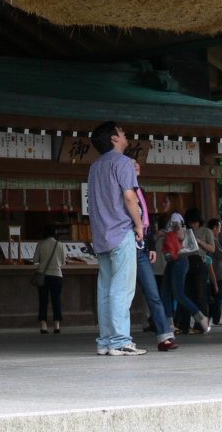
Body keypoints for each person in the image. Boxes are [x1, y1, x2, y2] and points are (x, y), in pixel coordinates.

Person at [86, 121, 147, 357]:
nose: (125, 135)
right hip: (121, 231)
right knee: (122, 288)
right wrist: (139, 225)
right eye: (122, 132)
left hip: (101, 234)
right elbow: (130, 197)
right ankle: (121, 341)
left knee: (105, 288)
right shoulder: (122, 162)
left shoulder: (95, 167)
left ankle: (105, 340)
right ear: (114, 139)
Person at [132, 160, 177, 351]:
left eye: (136, 165)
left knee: (153, 293)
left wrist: (150, 245)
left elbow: (145, 220)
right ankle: (118, 337)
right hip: (125, 246)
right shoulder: (119, 188)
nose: (135, 167)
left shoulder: (139, 190)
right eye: (131, 165)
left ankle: (164, 336)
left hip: (141, 247)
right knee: (122, 295)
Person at [162, 211, 206, 334]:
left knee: (178, 294)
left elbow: (181, 236)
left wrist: (166, 232)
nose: (163, 204)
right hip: (173, 260)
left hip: (179, 260)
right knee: (166, 292)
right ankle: (169, 323)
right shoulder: (173, 219)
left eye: (166, 201)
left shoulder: (175, 217)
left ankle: (200, 316)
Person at [32, 223, 66, 334]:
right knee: (56, 300)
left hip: (43, 275)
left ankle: (43, 325)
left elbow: (35, 260)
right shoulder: (60, 245)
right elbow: (63, 262)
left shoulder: (40, 244)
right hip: (57, 275)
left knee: (43, 300)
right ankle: (56, 325)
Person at [206, 218, 222, 326]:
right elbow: (221, 254)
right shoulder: (214, 240)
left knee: (214, 297)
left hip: (213, 272)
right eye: (219, 227)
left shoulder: (208, 239)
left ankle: (212, 318)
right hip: (219, 272)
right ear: (215, 228)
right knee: (219, 297)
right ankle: (215, 319)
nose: (219, 230)